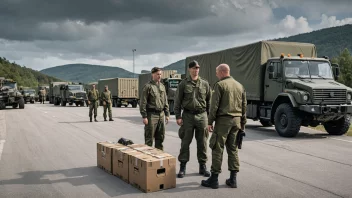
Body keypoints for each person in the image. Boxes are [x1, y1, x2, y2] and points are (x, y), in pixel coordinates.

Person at [201, 64, 247, 189]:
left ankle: (214, 179)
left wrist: (210, 122)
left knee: (217, 148)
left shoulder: (220, 85)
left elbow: (214, 106)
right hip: (236, 121)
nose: (216, 75)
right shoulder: (239, 85)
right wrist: (243, 124)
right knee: (233, 149)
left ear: (222, 72)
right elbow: (244, 106)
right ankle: (233, 179)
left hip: (223, 121)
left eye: (217, 72)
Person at [174, 60, 211, 178]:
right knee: (185, 142)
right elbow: (177, 101)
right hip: (188, 116)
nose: (196, 70)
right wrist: (178, 116)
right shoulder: (183, 84)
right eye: (194, 68)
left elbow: (210, 101)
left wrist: (210, 120)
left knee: (203, 142)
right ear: (189, 69)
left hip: (202, 116)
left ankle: (203, 166)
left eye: (198, 68)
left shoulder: (205, 84)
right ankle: (183, 167)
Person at [139, 67, 170, 151]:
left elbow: (165, 101)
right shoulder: (148, 87)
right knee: (149, 139)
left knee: (160, 138)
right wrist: (144, 116)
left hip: (161, 114)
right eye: (157, 74)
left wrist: (167, 114)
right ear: (153, 74)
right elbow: (143, 102)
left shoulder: (162, 86)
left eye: (160, 74)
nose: (159, 76)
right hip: (151, 115)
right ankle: (148, 160)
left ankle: (159, 159)